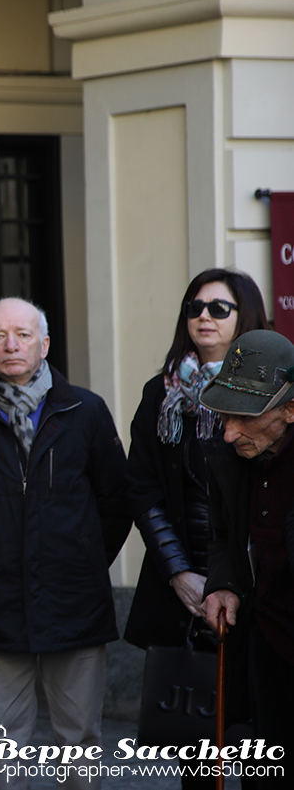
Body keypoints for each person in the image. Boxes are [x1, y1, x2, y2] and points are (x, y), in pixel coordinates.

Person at [0, 297, 129, 790]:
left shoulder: (84, 410)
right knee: (5, 744)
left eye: (22, 334)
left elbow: (115, 501)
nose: (11, 344)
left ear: (44, 344)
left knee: (79, 740)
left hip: (74, 600)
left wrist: (81, 557)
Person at [123, 269, 266, 787]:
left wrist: (231, 576)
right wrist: (179, 572)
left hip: (253, 586)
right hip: (182, 590)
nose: (203, 316)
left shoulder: (266, 391)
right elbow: (142, 487)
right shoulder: (159, 393)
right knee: (196, 750)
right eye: (194, 307)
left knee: (258, 741)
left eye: (218, 308)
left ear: (244, 316)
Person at [199, 329, 294, 787]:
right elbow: (222, 536)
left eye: (245, 418)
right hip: (264, 639)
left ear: (289, 410)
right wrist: (223, 582)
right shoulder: (230, 458)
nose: (229, 432)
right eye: (224, 416)